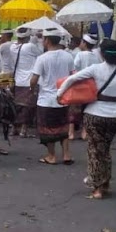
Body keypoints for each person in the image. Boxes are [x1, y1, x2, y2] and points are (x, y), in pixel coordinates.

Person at [57, 40, 116, 199]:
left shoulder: (96, 69)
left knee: (94, 150)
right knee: (105, 148)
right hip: (115, 115)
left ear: (102, 54)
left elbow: (71, 79)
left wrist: (59, 95)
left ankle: (97, 187)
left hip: (95, 114)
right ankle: (105, 182)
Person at [31, 28, 75, 165]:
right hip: (63, 98)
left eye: (43, 39)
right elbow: (73, 76)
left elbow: (34, 79)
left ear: (47, 40)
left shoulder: (42, 58)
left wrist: (32, 88)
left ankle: (51, 156)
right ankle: (67, 155)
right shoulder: (68, 56)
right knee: (63, 126)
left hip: (46, 99)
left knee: (47, 128)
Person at [10, 27, 43, 138]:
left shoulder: (12, 47)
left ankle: (14, 128)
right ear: (28, 37)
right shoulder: (30, 47)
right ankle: (23, 129)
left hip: (17, 79)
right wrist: (38, 40)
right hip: (29, 80)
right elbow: (41, 53)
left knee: (16, 105)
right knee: (28, 106)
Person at [69, 34, 103, 140]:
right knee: (87, 109)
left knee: (74, 108)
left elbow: (74, 69)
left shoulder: (80, 54)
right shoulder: (97, 56)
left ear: (84, 43)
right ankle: (84, 132)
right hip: (91, 86)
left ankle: (71, 133)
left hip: (79, 84)